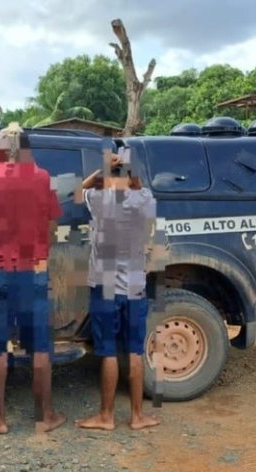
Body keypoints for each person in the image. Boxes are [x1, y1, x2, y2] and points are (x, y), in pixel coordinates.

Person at [0, 123, 66, 434]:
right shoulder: (41, 176)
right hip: (33, 268)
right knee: (39, 346)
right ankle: (44, 416)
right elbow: (51, 225)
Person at [75, 151, 160, 431]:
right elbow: (139, 186)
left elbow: (79, 191)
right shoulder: (145, 199)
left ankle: (106, 416)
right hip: (135, 285)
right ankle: (137, 416)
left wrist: (102, 168)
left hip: (105, 285)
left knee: (108, 351)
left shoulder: (100, 200)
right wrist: (126, 166)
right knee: (135, 351)